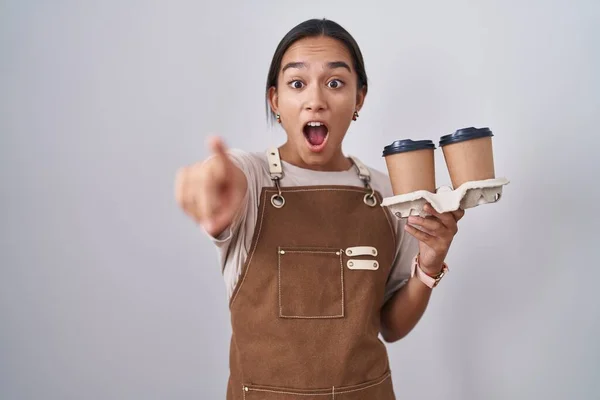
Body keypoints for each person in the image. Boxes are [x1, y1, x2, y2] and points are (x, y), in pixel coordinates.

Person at [175, 18, 464, 400]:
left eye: (335, 83)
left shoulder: (386, 193)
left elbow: (390, 327)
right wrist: (207, 183)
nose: (316, 100)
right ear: (275, 100)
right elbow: (223, 173)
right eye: (297, 83)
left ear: (359, 98)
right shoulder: (252, 178)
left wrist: (428, 267)